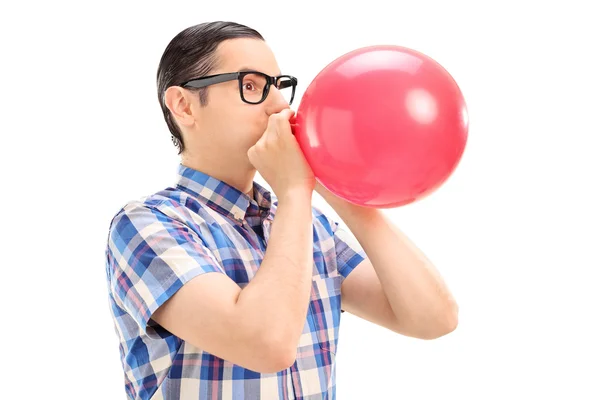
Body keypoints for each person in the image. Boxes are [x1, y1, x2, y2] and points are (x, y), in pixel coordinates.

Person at [104, 21, 458, 400]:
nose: (280, 106)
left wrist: (338, 187)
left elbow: (433, 318)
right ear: (184, 105)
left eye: (278, 86)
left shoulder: (310, 224)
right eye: (251, 86)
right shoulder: (148, 224)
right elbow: (266, 343)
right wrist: (293, 192)